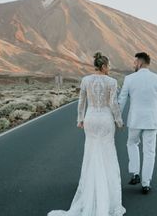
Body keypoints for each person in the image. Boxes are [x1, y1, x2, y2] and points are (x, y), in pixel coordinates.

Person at [47, 52, 126, 216]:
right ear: (103, 66)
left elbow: (81, 101)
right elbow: (113, 103)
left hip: (90, 118)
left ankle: (92, 190)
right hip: (105, 120)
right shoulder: (112, 82)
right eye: (109, 65)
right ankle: (109, 196)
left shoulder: (85, 80)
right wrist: (119, 120)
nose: (110, 68)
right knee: (108, 155)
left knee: (91, 153)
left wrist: (80, 119)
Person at [118, 52, 157, 194]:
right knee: (149, 152)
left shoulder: (129, 79)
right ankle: (146, 183)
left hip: (135, 120)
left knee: (132, 143)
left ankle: (135, 173)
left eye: (134, 62)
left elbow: (122, 100)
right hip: (152, 120)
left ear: (140, 63)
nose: (133, 64)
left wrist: (118, 118)